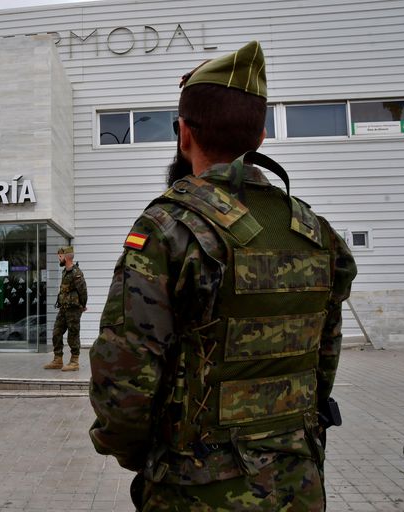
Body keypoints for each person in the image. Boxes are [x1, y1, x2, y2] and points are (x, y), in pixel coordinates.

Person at [89, 41, 358, 511]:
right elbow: (324, 360)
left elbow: (126, 373)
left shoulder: (169, 228)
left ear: (183, 134)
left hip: (196, 487)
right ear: (260, 138)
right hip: (298, 481)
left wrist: (135, 453)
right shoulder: (317, 233)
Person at [44, 246, 87, 372]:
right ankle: (58, 359)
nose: (59, 258)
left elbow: (83, 291)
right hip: (63, 308)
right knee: (56, 333)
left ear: (67, 257)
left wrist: (83, 305)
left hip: (73, 309)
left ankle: (74, 361)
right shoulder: (65, 271)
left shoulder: (76, 272)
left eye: (60, 256)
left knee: (73, 335)